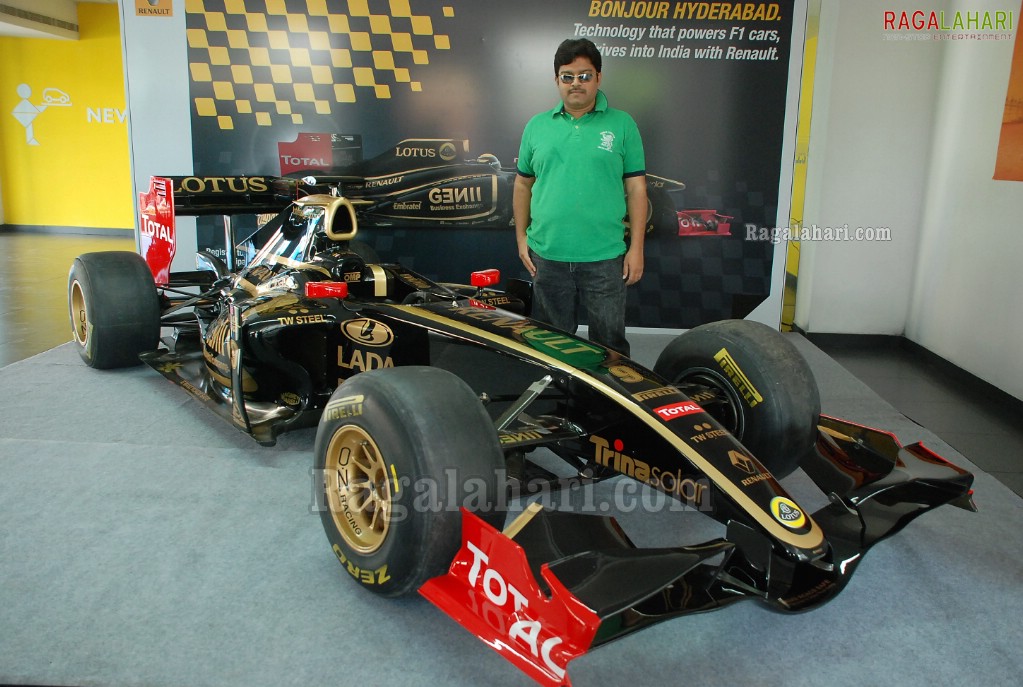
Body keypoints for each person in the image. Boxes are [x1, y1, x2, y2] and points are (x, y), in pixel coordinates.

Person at [513, 38, 647, 356]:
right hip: (547, 256)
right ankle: (557, 405)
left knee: (610, 346)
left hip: (605, 257)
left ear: (598, 77)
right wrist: (521, 238)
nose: (576, 84)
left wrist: (637, 248)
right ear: (557, 80)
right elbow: (522, 186)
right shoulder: (536, 126)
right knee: (550, 344)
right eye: (568, 76)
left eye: (585, 75)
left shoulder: (622, 124)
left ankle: (606, 407)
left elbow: (637, 189)